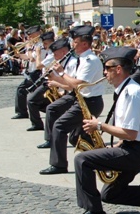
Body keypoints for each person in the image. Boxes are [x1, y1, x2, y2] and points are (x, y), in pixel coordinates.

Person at [68, 47, 140, 214]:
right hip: (135, 148)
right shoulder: (125, 90)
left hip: (136, 151)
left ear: (118, 69)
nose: (104, 72)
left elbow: (131, 133)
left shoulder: (131, 93)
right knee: (109, 195)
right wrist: (118, 144)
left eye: (108, 68)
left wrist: (99, 125)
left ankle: (94, 211)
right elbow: (130, 130)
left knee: (82, 160)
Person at [38, 25, 105, 174]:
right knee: (76, 138)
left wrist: (61, 74)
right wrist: (55, 78)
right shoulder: (82, 59)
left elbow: (76, 84)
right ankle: (99, 160)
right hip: (83, 101)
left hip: (89, 102)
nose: (72, 45)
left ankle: (59, 165)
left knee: (59, 127)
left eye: (75, 42)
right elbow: (71, 83)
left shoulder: (89, 60)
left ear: (84, 44)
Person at [26, 36, 70, 132]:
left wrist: (38, 55)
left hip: (54, 82)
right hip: (50, 80)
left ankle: (39, 125)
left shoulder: (53, 55)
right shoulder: (52, 54)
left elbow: (38, 65)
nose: (43, 45)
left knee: (32, 100)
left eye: (45, 43)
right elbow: (29, 59)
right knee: (46, 105)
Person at [11, 26, 44, 119]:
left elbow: (32, 58)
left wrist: (28, 48)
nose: (29, 38)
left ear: (37, 34)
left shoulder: (40, 45)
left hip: (38, 72)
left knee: (24, 91)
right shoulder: (35, 44)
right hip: (32, 72)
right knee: (22, 90)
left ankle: (23, 112)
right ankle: (22, 112)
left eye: (31, 36)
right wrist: (18, 55)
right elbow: (27, 57)